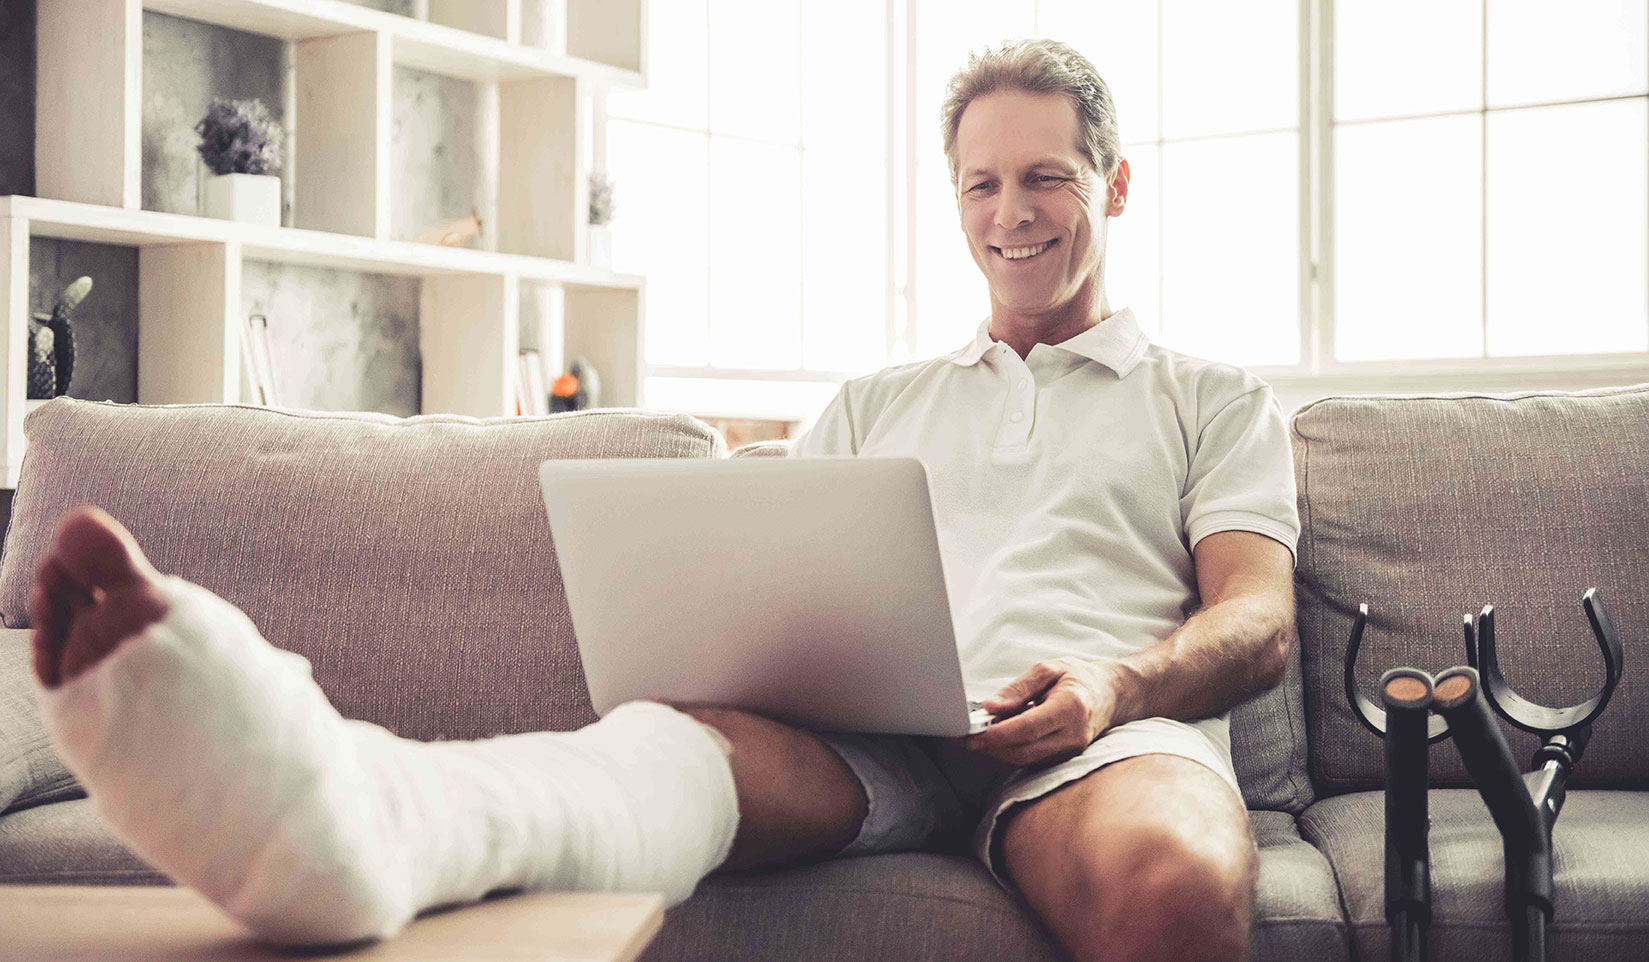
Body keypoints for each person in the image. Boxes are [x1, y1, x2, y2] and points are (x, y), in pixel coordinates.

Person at [30, 39, 1297, 962]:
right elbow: (774, 594)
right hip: (869, 747)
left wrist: (1115, 686)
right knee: (651, 754)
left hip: (1095, 738)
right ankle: (359, 824)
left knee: (1175, 881)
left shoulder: (1209, 396)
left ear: (1114, 186)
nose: (1010, 214)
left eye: (1047, 179)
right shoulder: (873, 402)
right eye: (980, 183)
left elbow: (1257, 620)